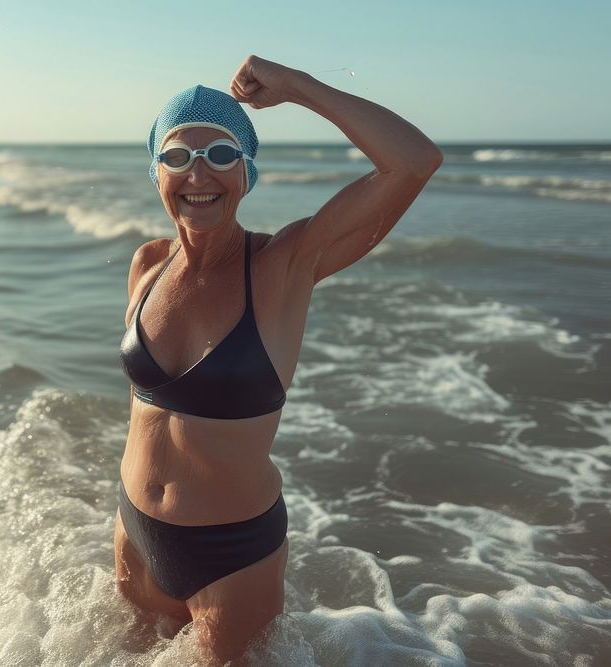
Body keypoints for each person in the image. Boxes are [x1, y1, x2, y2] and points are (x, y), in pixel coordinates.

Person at [114, 55, 443, 664]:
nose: (198, 174)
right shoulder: (147, 265)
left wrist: (297, 87)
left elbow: (413, 161)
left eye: (220, 155)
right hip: (135, 530)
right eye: (178, 156)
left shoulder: (284, 266)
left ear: (246, 171)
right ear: (155, 171)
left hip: (229, 557)